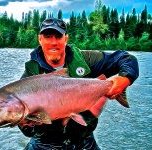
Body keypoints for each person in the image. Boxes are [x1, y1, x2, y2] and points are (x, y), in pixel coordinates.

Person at [18, 18, 139, 150]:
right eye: (48, 37)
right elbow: (28, 131)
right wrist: (25, 125)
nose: (53, 42)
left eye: (58, 36)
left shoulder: (86, 60)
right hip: (44, 144)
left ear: (66, 39)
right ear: (40, 39)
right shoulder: (30, 76)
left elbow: (126, 59)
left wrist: (125, 79)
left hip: (84, 141)